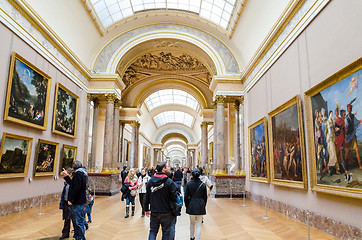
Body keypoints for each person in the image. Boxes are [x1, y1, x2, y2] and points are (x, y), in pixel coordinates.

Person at [144, 161, 178, 240]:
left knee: (153, 231)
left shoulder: (151, 181)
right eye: (168, 167)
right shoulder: (169, 182)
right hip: (166, 211)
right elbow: (174, 196)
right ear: (164, 169)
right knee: (166, 232)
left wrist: (146, 209)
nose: (169, 168)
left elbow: (147, 196)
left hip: (154, 210)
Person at [61, 161, 88, 240]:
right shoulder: (82, 173)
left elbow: (75, 189)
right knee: (77, 220)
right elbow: (73, 184)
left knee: (78, 221)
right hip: (79, 201)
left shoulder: (78, 174)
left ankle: (80, 237)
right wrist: (66, 176)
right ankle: (77, 237)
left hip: (77, 201)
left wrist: (71, 200)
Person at [184, 169, 207, 240]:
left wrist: (187, 205)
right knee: (199, 224)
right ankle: (197, 238)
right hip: (200, 204)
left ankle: (191, 237)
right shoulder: (203, 185)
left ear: (192, 175)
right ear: (199, 175)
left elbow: (186, 197)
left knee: (192, 223)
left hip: (191, 204)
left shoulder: (188, 184)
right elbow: (205, 197)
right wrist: (203, 205)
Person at [59, 168, 74, 240]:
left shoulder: (73, 183)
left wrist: (71, 201)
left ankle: (78, 234)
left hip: (71, 203)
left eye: (66, 173)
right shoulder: (67, 183)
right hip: (66, 203)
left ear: (70, 174)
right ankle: (65, 233)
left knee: (72, 219)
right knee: (66, 219)